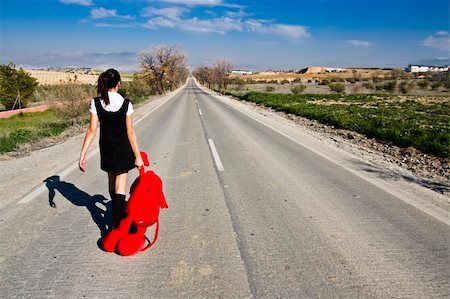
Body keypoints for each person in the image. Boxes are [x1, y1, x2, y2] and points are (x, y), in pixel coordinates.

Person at [79, 68, 143, 230]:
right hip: (123, 149)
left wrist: (83, 154)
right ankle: (116, 224)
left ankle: (117, 212)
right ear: (119, 84)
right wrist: (137, 155)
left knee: (111, 182)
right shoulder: (126, 104)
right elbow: (130, 132)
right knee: (120, 185)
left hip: (106, 149)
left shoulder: (96, 103)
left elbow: (92, 130)